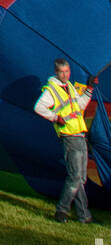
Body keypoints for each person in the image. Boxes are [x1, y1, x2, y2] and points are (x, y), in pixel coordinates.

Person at [34, 58, 95, 222]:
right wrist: (55, 117)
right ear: (56, 72)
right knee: (75, 177)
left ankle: (84, 215)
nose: (65, 74)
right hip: (69, 135)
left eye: (67, 71)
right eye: (62, 72)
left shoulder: (70, 87)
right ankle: (62, 210)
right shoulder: (51, 90)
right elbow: (39, 107)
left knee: (81, 178)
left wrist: (89, 90)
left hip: (81, 134)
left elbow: (80, 106)